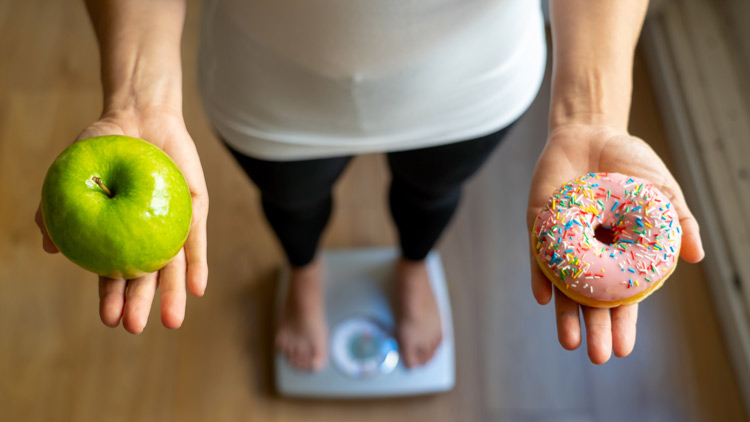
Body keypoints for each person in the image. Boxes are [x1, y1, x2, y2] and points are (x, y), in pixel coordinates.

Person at [36, 0, 705, 371]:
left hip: (473, 86)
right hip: (267, 87)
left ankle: (414, 267)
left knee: (432, 197)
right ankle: (304, 271)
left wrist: (590, 110)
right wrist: (137, 95)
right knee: (292, 203)